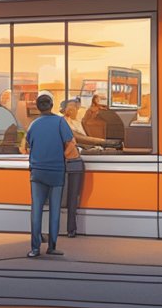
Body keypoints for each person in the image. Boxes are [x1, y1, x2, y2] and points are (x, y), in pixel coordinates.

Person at [24, 92, 73, 258]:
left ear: (38, 107)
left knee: (36, 209)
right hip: (56, 171)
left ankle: (35, 248)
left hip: (37, 171)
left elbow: (26, 146)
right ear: (52, 105)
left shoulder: (33, 124)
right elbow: (70, 143)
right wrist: (62, 156)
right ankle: (52, 246)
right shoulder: (60, 122)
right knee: (54, 209)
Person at [61, 98, 104, 237]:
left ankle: (69, 228)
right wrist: (105, 142)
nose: (73, 109)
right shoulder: (62, 123)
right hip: (69, 162)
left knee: (70, 197)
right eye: (71, 106)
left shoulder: (78, 122)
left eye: (75, 106)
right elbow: (78, 139)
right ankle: (67, 228)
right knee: (68, 197)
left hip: (71, 161)